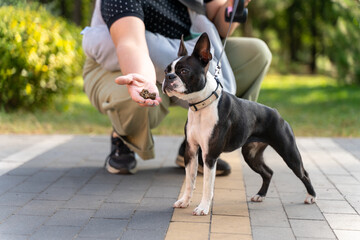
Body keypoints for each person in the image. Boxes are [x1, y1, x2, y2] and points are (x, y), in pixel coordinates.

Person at [82, 0, 272, 176]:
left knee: (257, 53)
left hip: (183, 55)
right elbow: (130, 42)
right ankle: (124, 138)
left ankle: (198, 144)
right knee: (137, 100)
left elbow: (221, 23)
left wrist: (237, 2)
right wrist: (143, 79)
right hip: (119, 60)